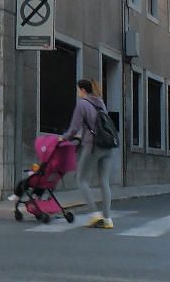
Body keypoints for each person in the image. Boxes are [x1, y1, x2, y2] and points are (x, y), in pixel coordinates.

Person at [60, 79, 114, 229]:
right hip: (107, 146)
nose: (78, 92)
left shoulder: (82, 104)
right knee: (104, 181)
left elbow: (74, 127)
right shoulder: (100, 103)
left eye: (78, 89)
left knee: (81, 179)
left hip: (92, 146)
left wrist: (64, 138)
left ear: (82, 89)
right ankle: (107, 219)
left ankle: (95, 215)